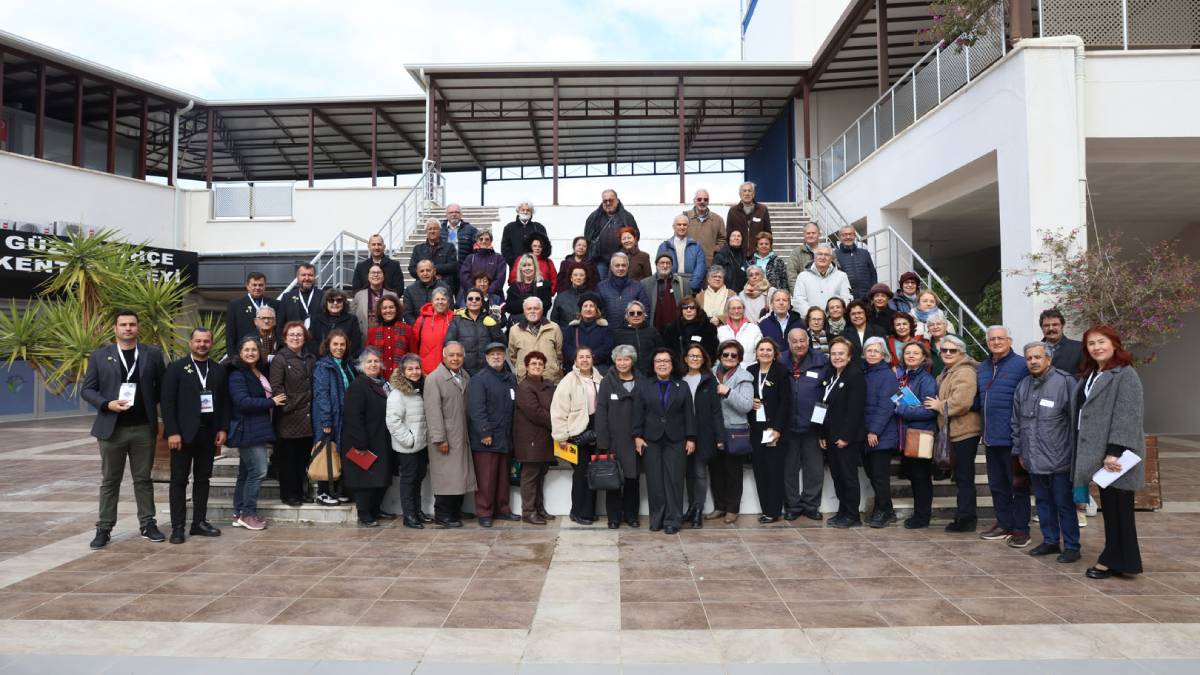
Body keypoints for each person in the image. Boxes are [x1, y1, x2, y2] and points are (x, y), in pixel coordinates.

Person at [82, 310, 167, 548]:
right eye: (123, 325)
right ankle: (104, 528)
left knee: (143, 479)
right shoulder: (100, 356)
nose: (127, 328)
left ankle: (148, 524)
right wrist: (106, 404)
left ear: (138, 327)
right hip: (112, 429)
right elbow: (87, 390)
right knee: (110, 480)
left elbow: (163, 388)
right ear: (115, 328)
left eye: (132, 324)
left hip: (142, 429)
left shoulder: (152, 354)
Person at [1074, 325, 1145, 579]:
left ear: (1114, 344)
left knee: (1120, 511)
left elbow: (1127, 416)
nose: (1097, 347)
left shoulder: (1125, 374)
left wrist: (1114, 451)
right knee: (1112, 510)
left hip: (1117, 456)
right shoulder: (1093, 374)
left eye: (1101, 342)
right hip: (1098, 451)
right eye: (1091, 344)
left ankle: (1113, 560)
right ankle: (1122, 560)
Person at [1012, 341, 1080, 562]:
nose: (1033, 361)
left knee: (1063, 503)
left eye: (1037, 357)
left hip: (1060, 458)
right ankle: (1050, 541)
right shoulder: (1023, 385)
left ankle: (1071, 546)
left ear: (1048, 359)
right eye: (1029, 358)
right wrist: (1020, 451)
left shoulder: (1065, 382)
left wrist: (1075, 454)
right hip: (1032, 458)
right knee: (1042, 502)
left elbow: (1076, 421)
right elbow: (1016, 422)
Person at [161, 327, 226, 544]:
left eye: (206, 341)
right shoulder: (177, 368)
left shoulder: (217, 370)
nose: (202, 345)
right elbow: (167, 403)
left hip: (207, 434)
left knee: (203, 480)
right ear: (191, 343)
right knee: (179, 481)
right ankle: (178, 527)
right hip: (182, 435)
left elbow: (224, 402)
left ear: (211, 344)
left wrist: (222, 429)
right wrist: (173, 432)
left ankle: (198, 522)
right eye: (198, 341)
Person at [976, 325, 1032, 546]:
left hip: (1012, 438)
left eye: (1000, 338)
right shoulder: (982, 367)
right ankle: (1004, 523)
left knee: (1018, 485)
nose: (996, 342)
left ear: (1009, 340)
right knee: (997, 484)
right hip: (990, 437)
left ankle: (1021, 528)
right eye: (992, 339)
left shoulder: (1021, 365)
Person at [632, 348, 696, 534]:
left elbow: (689, 415)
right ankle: (657, 519)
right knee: (654, 481)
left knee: (675, 481)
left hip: (676, 440)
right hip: (650, 440)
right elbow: (638, 413)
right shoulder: (643, 385)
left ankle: (672, 520)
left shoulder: (681, 386)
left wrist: (691, 438)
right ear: (653, 365)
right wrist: (637, 436)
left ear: (672, 364)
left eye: (666, 361)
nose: (662, 364)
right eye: (658, 361)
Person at [923, 334, 982, 532]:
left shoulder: (964, 372)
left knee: (964, 477)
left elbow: (961, 402)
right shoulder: (947, 372)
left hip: (964, 431)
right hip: (952, 431)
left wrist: (939, 405)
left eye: (952, 350)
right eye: (944, 350)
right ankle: (963, 515)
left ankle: (966, 519)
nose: (947, 353)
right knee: (960, 476)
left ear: (961, 353)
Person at [226, 335, 282, 532]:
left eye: (254, 350)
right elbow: (242, 402)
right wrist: (271, 402)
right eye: (246, 350)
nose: (250, 353)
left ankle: (239, 512)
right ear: (240, 353)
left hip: (257, 427)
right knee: (259, 471)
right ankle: (248, 514)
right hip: (247, 430)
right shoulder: (237, 374)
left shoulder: (258, 370)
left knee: (245, 473)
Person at [424, 342, 477, 527]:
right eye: (451, 355)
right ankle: (443, 515)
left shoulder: (465, 376)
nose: (455, 359)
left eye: (459, 355)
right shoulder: (434, 379)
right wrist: (439, 438)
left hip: (461, 435)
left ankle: (455, 511)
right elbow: (432, 411)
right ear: (444, 357)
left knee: (459, 475)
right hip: (445, 438)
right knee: (445, 476)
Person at [468, 342, 520, 527]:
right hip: (487, 438)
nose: (496, 357)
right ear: (486, 358)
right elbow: (476, 409)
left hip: (505, 435)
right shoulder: (479, 379)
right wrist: (484, 432)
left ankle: (502, 509)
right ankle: (485, 512)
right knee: (486, 478)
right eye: (492, 355)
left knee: (503, 476)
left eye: (499, 354)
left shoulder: (510, 378)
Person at [551, 347, 605, 525]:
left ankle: (589, 511)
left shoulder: (600, 379)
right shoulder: (569, 380)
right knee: (581, 473)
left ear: (593, 359)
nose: (584, 360)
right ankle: (577, 512)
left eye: (587, 357)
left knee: (593, 472)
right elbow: (558, 409)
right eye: (580, 357)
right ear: (575, 361)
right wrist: (561, 436)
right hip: (577, 431)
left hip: (596, 430)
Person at [340, 348, 393, 527]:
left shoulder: (383, 384)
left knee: (380, 477)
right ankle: (365, 514)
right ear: (362, 366)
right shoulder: (359, 385)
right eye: (369, 362)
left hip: (380, 438)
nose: (373, 365)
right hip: (363, 440)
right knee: (364, 480)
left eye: (376, 361)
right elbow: (353, 416)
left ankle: (375, 509)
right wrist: (360, 442)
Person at [780, 328, 829, 521]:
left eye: (803, 340)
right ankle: (792, 505)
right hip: (787, 426)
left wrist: (821, 427)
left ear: (808, 341)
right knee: (788, 469)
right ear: (789, 343)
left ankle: (811, 505)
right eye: (795, 341)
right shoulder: (780, 361)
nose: (799, 345)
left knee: (815, 469)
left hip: (813, 426)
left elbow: (826, 395)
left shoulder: (821, 361)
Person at [819, 337, 867, 528]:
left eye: (841, 354)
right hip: (830, 436)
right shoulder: (831, 375)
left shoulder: (855, 376)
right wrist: (822, 434)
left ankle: (853, 515)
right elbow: (822, 405)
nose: (837, 357)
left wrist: (845, 437)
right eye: (834, 353)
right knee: (837, 476)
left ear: (849, 357)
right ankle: (843, 511)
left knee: (848, 476)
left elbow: (855, 410)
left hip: (846, 438)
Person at [596, 345, 644, 529]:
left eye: (626, 359)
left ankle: (631, 515)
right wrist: (603, 440)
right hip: (614, 440)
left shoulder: (642, 380)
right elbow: (601, 411)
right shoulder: (607, 382)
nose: (623, 363)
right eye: (619, 359)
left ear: (632, 361)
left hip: (635, 440)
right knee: (613, 480)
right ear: (614, 361)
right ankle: (613, 517)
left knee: (633, 480)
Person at [269, 321, 316, 507]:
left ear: (304, 337)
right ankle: (289, 494)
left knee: (303, 459)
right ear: (285, 338)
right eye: (292, 335)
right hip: (289, 417)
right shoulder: (280, 359)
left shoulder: (311, 358)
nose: (296, 338)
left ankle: (302, 492)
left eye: (299, 334)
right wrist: (291, 404)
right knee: (288, 460)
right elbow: (276, 388)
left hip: (308, 418)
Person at [894, 342, 939, 529]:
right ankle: (918, 514)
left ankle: (922, 517)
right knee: (914, 476)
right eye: (908, 353)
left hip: (921, 434)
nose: (911, 356)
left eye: (915, 353)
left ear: (923, 357)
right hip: (908, 434)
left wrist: (901, 409)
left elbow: (929, 411)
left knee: (921, 478)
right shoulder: (904, 378)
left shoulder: (927, 380)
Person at [746, 337, 791, 523]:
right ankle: (766, 510)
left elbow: (785, 402)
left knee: (774, 471)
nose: (765, 353)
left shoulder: (781, 371)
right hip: (756, 429)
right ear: (756, 353)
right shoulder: (750, 371)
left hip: (774, 429)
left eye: (768, 350)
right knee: (760, 470)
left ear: (774, 354)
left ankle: (774, 511)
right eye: (761, 350)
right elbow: (744, 397)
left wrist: (778, 429)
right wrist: (750, 403)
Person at [709, 340, 754, 523]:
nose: (729, 358)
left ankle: (732, 509)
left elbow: (746, 405)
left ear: (740, 358)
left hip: (735, 431)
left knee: (733, 472)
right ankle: (719, 507)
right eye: (725, 354)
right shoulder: (711, 374)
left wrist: (728, 391)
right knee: (716, 471)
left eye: (733, 355)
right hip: (713, 430)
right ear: (720, 356)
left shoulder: (745, 377)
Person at [386, 353, 432, 529]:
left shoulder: (421, 388)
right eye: (410, 369)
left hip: (421, 445)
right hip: (408, 446)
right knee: (409, 480)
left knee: (418, 478)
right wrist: (409, 440)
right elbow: (393, 421)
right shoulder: (397, 394)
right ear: (403, 372)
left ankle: (417, 511)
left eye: (417, 368)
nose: (415, 372)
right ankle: (409, 515)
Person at [682, 344, 725, 529]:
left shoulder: (709, 380)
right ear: (685, 359)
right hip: (681, 433)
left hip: (704, 434)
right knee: (687, 474)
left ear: (703, 359)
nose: (694, 359)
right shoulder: (679, 379)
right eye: (691, 356)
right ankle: (691, 507)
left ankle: (698, 510)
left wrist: (720, 436)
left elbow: (716, 411)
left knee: (699, 473)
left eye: (698, 356)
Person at [312, 329, 356, 507]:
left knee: (340, 453)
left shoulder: (347, 365)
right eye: (335, 344)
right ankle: (323, 492)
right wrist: (326, 421)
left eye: (342, 344)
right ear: (328, 346)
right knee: (326, 454)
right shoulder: (323, 366)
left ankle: (338, 490)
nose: (339, 347)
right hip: (330, 417)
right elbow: (321, 395)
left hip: (345, 417)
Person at [513, 351, 557, 525]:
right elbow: (535, 413)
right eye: (533, 364)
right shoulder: (524, 387)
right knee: (530, 476)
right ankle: (528, 511)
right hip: (530, 439)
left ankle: (539, 508)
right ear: (526, 366)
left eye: (540, 364)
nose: (537, 366)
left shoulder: (548, 385)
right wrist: (557, 422)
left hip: (545, 438)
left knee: (540, 475)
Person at [861, 337, 900, 528]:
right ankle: (888, 510)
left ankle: (883, 512)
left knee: (879, 476)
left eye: (876, 351)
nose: (872, 354)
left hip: (880, 435)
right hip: (868, 433)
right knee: (873, 475)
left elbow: (886, 405)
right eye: (869, 350)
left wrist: (874, 431)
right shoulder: (865, 373)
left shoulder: (888, 376)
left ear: (884, 354)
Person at [445, 288, 505, 374]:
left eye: (477, 299)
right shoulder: (457, 320)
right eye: (470, 299)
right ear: (466, 302)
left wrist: (495, 325)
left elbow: (502, 342)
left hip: (487, 371)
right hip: (463, 372)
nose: (474, 301)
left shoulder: (488, 319)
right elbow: (448, 344)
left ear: (481, 302)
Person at [584, 189, 638, 279]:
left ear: (617, 200)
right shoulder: (593, 217)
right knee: (602, 286)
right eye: (605, 201)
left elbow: (636, 235)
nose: (608, 203)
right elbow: (587, 237)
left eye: (611, 200)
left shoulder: (627, 216)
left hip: (622, 258)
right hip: (600, 260)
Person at [508, 297, 565, 382]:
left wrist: (554, 367)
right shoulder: (514, 330)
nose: (532, 311)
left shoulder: (554, 328)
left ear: (542, 311)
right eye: (529, 309)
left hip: (551, 379)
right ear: (524, 311)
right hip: (525, 380)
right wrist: (522, 368)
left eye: (536, 308)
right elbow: (513, 355)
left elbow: (559, 353)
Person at [225, 272, 279, 359]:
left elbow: (278, 330)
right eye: (254, 285)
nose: (257, 288)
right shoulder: (235, 305)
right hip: (245, 356)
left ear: (265, 286)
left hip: (269, 355)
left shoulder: (275, 304)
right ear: (247, 286)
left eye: (260, 285)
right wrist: (234, 359)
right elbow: (230, 335)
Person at [563, 292, 614, 374]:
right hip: (576, 371)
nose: (588, 309)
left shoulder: (605, 328)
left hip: (599, 371)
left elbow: (607, 348)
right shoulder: (572, 328)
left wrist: (589, 358)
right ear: (581, 310)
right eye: (585, 306)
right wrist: (580, 359)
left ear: (596, 310)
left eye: (592, 306)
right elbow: (566, 348)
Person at [792, 244, 851, 314]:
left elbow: (846, 298)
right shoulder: (802, 276)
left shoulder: (842, 276)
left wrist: (833, 314)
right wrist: (814, 316)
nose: (823, 257)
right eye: (819, 254)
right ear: (814, 257)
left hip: (834, 320)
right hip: (810, 321)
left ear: (831, 258)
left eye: (826, 255)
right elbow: (799, 300)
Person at [656, 214, 707, 293]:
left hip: (691, 285)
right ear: (673, 227)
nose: (682, 227)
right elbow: (660, 267)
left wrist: (692, 287)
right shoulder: (665, 246)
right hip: (671, 284)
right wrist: (669, 284)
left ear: (688, 227)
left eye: (684, 225)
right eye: (679, 225)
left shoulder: (696, 246)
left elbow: (700, 268)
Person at [612, 300, 665, 377]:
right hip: (628, 375)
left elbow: (661, 351)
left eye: (639, 313)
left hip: (651, 374)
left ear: (644, 315)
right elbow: (615, 356)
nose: (636, 315)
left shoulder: (652, 331)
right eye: (632, 313)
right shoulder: (619, 333)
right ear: (627, 316)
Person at [365, 295, 411, 380]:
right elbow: (368, 358)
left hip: (403, 380)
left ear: (396, 309)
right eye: (384, 308)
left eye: (391, 307)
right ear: (380, 311)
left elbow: (413, 356)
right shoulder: (372, 332)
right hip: (379, 380)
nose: (388, 311)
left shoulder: (408, 330)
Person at [597, 252, 651, 323]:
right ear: (611, 267)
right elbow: (598, 311)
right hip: (608, 331)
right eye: (617, 265)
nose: (621, 268)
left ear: (628, 267)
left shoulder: (638, 286)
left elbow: (645, 309)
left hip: (631, 331)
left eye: (623, 265)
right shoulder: (601, 287)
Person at [661, 296, 719, 362]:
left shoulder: (708, 328)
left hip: (701, 367)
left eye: (692, 308)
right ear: (681, 310)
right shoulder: (671, 329)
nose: (688, 310)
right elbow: (667, 352)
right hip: (678, 368)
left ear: (697, 310)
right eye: (685, 308)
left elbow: (712, 352)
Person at [409, 218, 460, 293]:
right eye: (430, 229)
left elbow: (453, 266)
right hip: (422, 288)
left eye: (435, 229)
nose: (432, 231)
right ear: (426, 231)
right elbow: (412, 268)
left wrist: (432, 270)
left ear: (440, 230)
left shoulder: (449, 247)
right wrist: (427, 276)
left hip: (443, 287)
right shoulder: (418, 249)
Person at [309, 289, 363, 358]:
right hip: (321, 360)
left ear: (344, 303)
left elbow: (356, 344)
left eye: (339, 300)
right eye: (331, 301)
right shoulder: (316, 319)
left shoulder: (352, 320)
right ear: (326, 303)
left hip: (345, 361)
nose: (335, 303)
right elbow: (312, 343)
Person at [413, 287, 455, 375]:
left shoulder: (455, 319)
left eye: (443, 299)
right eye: (437, 299)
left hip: (449, 371)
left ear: (448, 302)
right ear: (432, 302)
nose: (440, 302)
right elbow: (414, 345)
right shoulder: (421, 321)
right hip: (427, 372)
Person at [504, 253, 554, 323]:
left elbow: (546, 304)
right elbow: (509, 307)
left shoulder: (544, 285)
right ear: (521, 269)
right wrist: (529, 302)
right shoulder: (514, 286)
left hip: (538, 324)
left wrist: (524, 302)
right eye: (524, 266)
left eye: (529, 265)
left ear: (535, 267)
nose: (527, 268)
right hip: (517, 324)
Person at [458, 229, 506, 301]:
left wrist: (489, 291)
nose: (484, 241)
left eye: (487, 239)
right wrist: (474, 291)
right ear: (477, 241)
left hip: (492, 296)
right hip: (472, 297)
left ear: (491, 241)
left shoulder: (498, 258)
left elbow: (500, 278)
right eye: (481, 239)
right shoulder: (470, 258)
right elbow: (464, 276)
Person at [643, 252, 687, 330]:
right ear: (656, 265)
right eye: (662, 263)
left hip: (676, 328)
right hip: (654, 327)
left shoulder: (683, 283)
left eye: (668, 263)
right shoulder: (645, 283)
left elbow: (688, 304)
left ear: (672, 265)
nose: (665, 266)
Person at [835, 225, 877, 301]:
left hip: (866, 298)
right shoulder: (834, 255)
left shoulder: (865, 253)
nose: (848, 237)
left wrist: (873, 293)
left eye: (850, 234)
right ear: (839, 237)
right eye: (844, 235)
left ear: (854, 236)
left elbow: (873, 274)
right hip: (846, 299)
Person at [716, 297, 762, 366]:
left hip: (748, 371)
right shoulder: (720, 331)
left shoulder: (754, 329)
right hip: (726, 372)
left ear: (744, 310)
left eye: (739, 308)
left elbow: (759, 352)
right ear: (728, 311)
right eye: (733, 308)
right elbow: (717, 355)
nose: (736, 311)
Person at [279, 263, 325, 332]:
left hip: (318, 342)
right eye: (303, 275)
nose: (307, 278)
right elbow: (280, 325)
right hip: (294, 341)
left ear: (315, 277)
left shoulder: (323, 296)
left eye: (310, 275)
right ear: (297, 277)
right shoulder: (287, 298)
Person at [685, 189, 726, 265]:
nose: (702, 202)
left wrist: (713, 250)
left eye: (705, 199)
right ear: (694, 201)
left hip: (709, 263)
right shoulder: (685, 217)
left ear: (708, 201)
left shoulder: (718, 219)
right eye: (699, 199)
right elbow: (678, 236)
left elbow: (723, 239)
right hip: (688, 263)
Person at [501, 201, 548, 267]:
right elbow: (505, 249)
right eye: (523, 210)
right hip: (516, 268)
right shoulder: (509, 228)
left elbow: (545, 247)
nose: (525, 212)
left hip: (537, 267)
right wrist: (514, 262)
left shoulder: (539, 227)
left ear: (531, 212)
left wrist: (538, 262)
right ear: (518, 211)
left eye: (528, 210)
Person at [352, 265, 395, 337]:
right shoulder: (359, 296)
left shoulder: (393, 295)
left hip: (387, 336)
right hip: (364, 337)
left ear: (383, 276)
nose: (376, 275)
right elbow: (353, 317)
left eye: (379, 272)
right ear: (368, 276)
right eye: (373, 272)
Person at [402, 260, 449, 324]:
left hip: (440, 328)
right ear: (417, 273)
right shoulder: (409, 290)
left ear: (434, 271)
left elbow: (448, 311)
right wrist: (419, 327)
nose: (425, 273)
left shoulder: (445, 288)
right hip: (417, 329)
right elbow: (407, 314)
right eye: (422, 271)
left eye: (428, 270)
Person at [726, 181, 771, 246]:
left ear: (753, 194)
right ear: (740, 194)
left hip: (757, 252)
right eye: (744, 191)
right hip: (738, 253)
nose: (747, 193)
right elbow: (728, 233)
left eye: (749, 191)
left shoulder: (762, 209)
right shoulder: (733, 211)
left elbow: (768, 233)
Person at [1041, 308, 1084, 375]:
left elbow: (1083, 377)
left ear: (1062, 326)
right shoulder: (1034, 350)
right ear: (1042, 328)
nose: (1051, 328)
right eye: (1046, 325)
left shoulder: (1079, 348)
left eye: (1055, 324)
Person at [786, 222, 823, 291]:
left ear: (819, 234)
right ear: (804, 235)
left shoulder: (827, 252)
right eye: (808, 233)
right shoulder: (796, 253)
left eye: (813, 233)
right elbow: (791, 276)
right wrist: (797, 295)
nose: (811, 235)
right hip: (803, 293)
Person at [925, 311, 950, 376]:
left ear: (945, 325)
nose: (935, 327)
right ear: (928, 328)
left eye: (938, 324)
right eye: (931, 325)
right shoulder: (926, 344)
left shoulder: (956, 341)